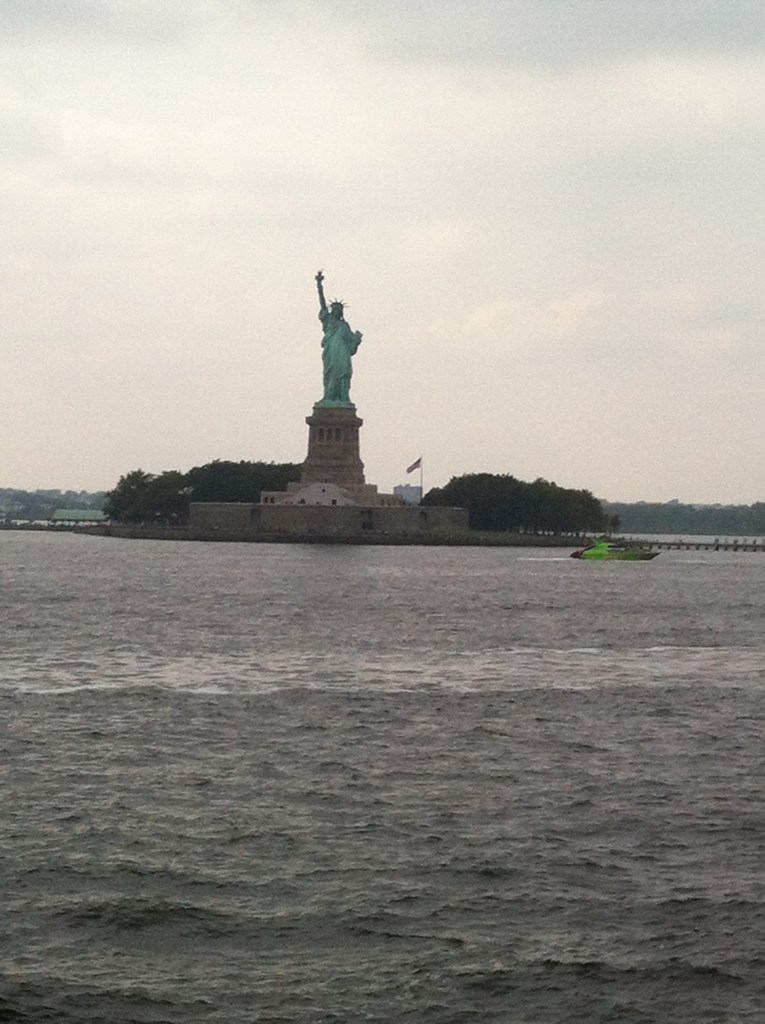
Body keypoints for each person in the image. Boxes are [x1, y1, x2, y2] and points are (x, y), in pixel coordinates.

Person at [315, 270, 362, 406]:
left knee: (344, 372)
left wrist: (357, 340)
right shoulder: (328, 320)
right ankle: (328, 397)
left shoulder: (345, 325)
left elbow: (351, 347)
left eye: (338, 309)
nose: (336, 310)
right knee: (330, 373)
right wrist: (319, 284)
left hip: (343, 352)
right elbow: (322, 302)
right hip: (331, 350)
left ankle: (343, 398)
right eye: (334, 308)